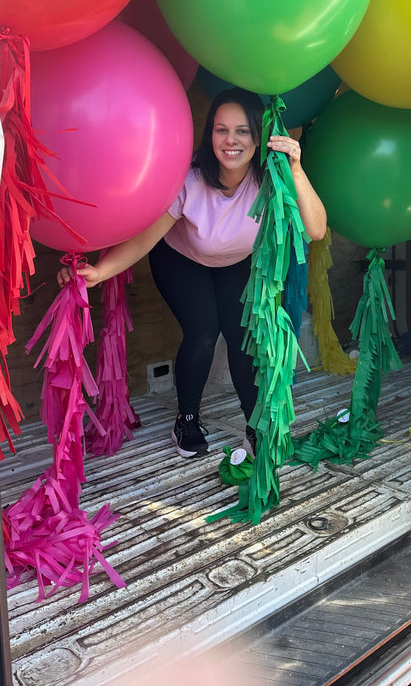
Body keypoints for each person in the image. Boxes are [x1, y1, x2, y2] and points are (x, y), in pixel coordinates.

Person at [58, 87, 327, 459]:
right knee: (203, 331)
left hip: (235, 261)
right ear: (210, 134)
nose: (230, 140)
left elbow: (316, 229)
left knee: (241, 335)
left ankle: (256, 428)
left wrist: (295, 169)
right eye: (221, 130)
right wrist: (100, 271)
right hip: (182, 259)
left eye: (242, 131)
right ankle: (186, 420)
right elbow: (143, 241)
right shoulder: (190, 177)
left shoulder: (272, 178)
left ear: (258, 136)